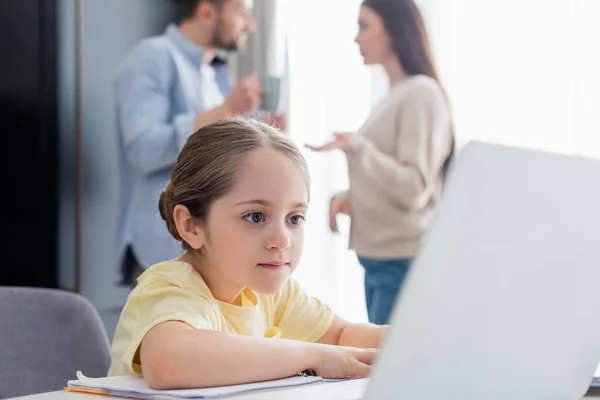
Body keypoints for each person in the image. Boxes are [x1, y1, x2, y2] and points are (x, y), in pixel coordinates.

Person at [108, 119, 387, 388]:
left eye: (295, 218)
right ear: (191, 225)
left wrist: (411, 338)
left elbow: (340, 337)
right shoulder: (170, 287)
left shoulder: (273, 295)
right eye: (255, 217)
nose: (282, 241)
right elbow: (168, 363)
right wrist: (314, 355)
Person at [115, 0, 286, 286]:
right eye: (241, 12)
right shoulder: (152, 57)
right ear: (206, 12)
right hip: (164, 245)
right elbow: (142, 150)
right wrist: (223, 111)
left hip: (207, 246)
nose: (250, 25)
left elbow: (214, 159)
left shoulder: (217, 75)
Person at [306, 0, 454, 325]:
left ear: (394, 28)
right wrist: (350, 196)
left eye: (364, 25)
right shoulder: (397, 95)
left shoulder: (420, 94)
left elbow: (414, 188)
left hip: (399, 263)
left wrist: (356, 146)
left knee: (389, 368)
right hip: (382, 261)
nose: (356, 38)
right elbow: (392, 178)